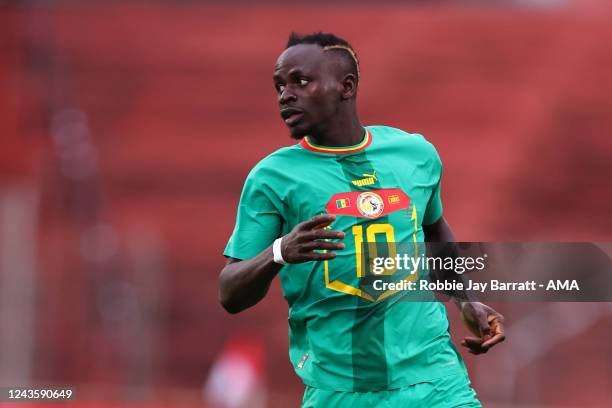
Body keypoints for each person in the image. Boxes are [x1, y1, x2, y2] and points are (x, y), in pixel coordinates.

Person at [219, 32, 505, 407]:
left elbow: (434, 229)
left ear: (346, 86)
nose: (285, 95)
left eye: (300, 81)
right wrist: (279, 252)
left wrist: (465, 300)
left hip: (435, 381)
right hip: (341, 390)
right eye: (279, 85)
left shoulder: (415, 154)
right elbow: (230, 293)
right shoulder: (272, 177)